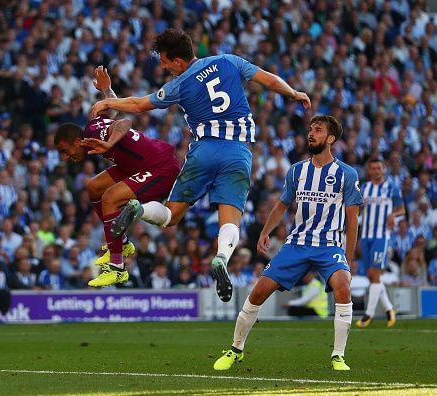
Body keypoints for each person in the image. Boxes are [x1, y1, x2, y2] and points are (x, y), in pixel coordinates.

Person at [90, 28, 310, 302]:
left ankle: (139, 209)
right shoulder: (229, 60)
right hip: (238, 152)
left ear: (179, 61)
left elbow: (137, 104)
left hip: (204, 151)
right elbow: (269, 80)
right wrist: (293, 92)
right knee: (230, 218)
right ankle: (221, 258)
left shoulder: (179, 84)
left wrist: (107, 99)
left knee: (170, 216)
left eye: (165, 61)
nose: (164, 67)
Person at [213, 116, 362, 372]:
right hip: (297, 243)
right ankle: (236, 349)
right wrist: (265, 231)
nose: (311, 134)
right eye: (310, 129)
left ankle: (338, 355)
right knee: (259, 291)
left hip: (329, 244)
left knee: (343, 287)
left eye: (318, 130)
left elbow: (352, 219)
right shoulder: (297, 170)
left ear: (331, 139)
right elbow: (283, 204)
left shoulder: (346, 174)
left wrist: (348, 257)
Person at [55, 66, 181, 287]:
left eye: (65, 151)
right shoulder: (93, 126)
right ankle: (121, 242)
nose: (65, 158)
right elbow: (112, 111)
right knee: (94, 186)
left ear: (77, 141)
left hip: (159, 166)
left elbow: (124, 122)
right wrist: (107, 91)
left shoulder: (96, 134)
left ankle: (117, 268)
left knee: (110, 197)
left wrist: (109, 144)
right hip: (133, 165)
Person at [356, 158, 404, 329]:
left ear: (384, 169)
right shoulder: (364, 188)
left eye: (378, 168)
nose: (376, 171)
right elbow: (358, 207)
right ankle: (390, 309)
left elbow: (401, 209)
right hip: (366, 236)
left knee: (375, 274)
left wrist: (393, 215)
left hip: (381, 236)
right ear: (369, 171)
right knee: (371, 274)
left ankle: (368, 315)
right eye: (373, 168)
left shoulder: (391, 187)